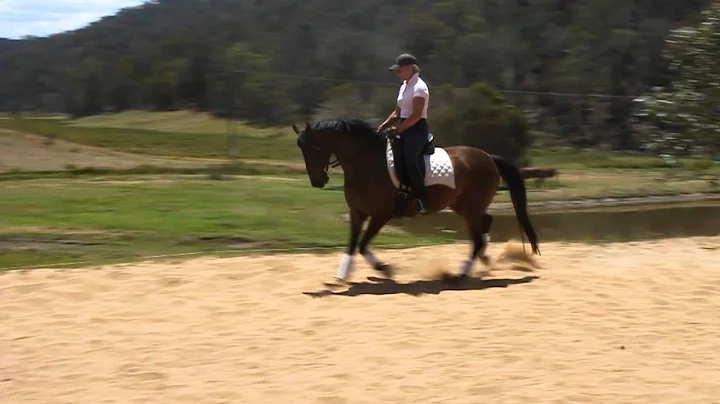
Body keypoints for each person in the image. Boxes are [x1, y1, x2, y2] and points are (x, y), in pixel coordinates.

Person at [378, 53, 431, 214]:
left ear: (409, 68)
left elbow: (415, 115)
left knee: (409, 159)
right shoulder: (404, 86)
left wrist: (398, 129)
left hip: (417, 128)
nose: (397, 73)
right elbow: (397, 113)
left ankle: (423, 199)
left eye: (399, 70)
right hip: (403, 125)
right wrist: (383, 126)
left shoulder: (419, 88)